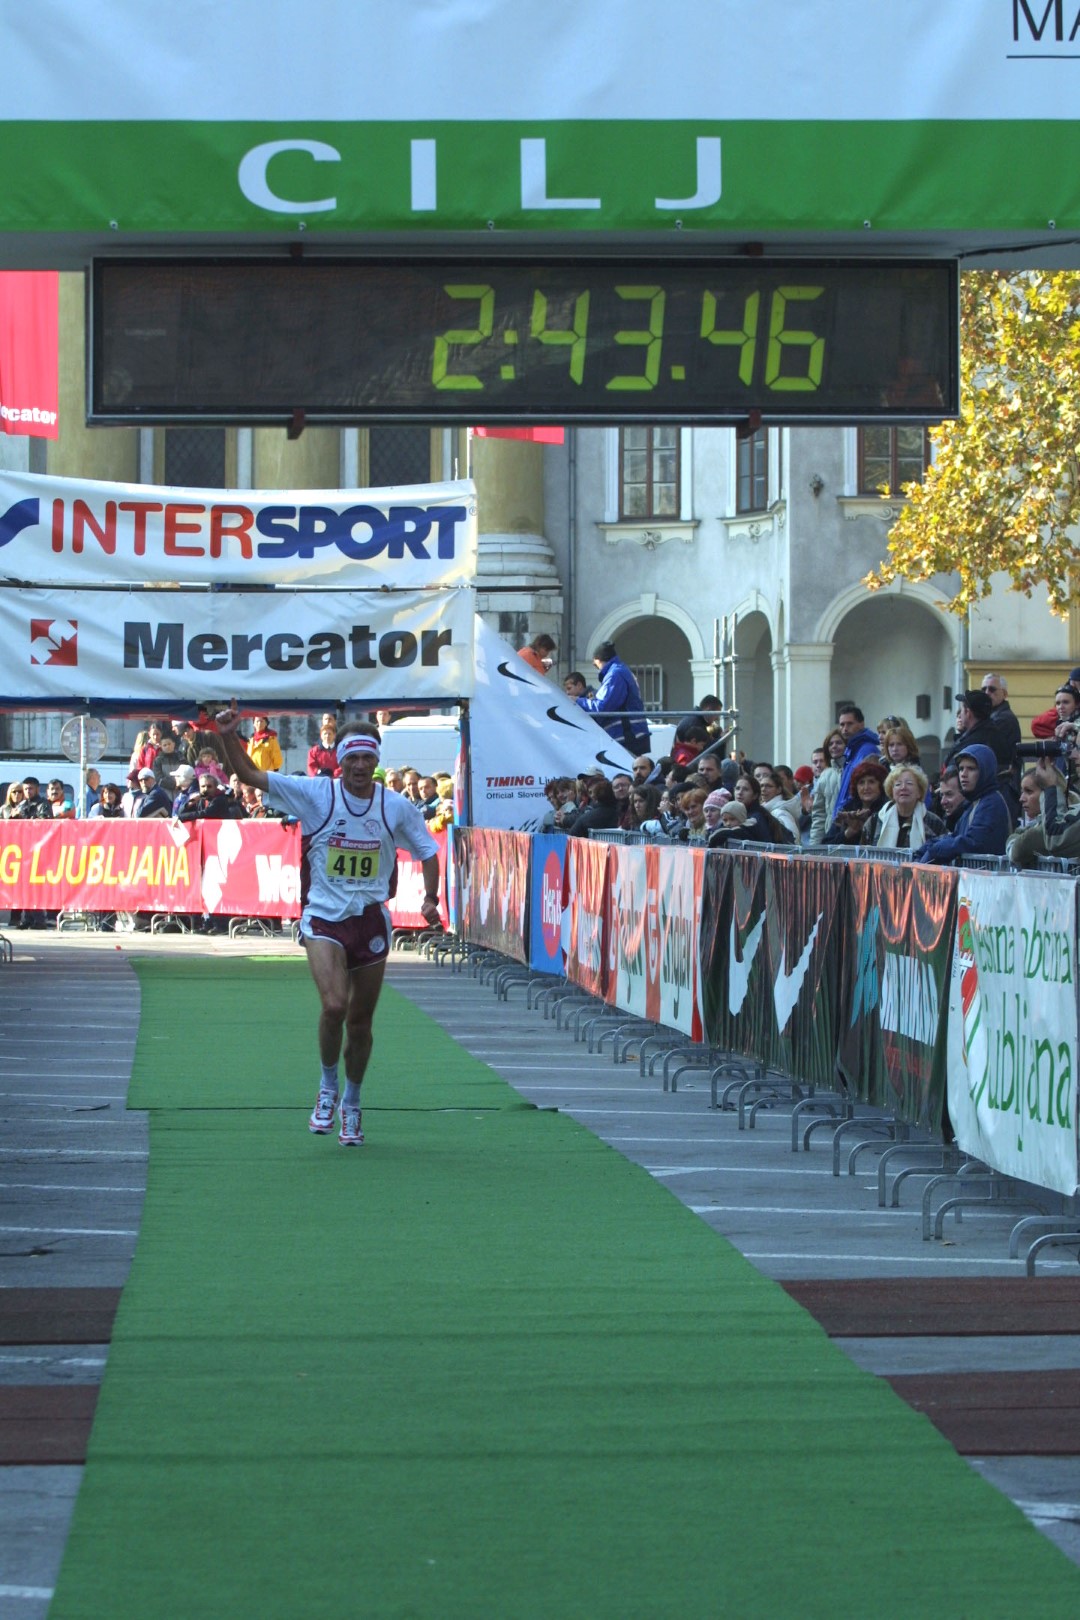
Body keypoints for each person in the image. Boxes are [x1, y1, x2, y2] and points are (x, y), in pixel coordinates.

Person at [214, 703, 441, 1147]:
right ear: (340, 760)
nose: (360, 766)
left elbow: (428, 851)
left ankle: (352, 1104)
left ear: (377, 762)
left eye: (368, 758)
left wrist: (430, 898)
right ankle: (327, 1085)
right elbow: (249, 775)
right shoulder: (317, 794)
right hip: (323, 916)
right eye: (352, 758)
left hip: (369, 919)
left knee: (360, 1022)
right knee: (334, 1006)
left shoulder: (394, 806)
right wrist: (227, 735)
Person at [915, 744, 1012, 865]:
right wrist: (928, 847)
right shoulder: (973, 803)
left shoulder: (991, 802)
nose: (963, 774)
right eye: (961, 769)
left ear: (985, 771)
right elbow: (955, 836)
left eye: (971, 769)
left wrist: (934, 850)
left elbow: (974, 842)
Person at [575, 641, 651, 753]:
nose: (597, 669)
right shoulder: (620, 671)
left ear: (599, 660)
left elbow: (602, 707)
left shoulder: (615, 675)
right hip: (632, 735)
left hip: (627, 736)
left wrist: (577, 701)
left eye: (595, 665)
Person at [874, 765, 944, 850]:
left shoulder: (933, 822)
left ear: (919, 792)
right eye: (898, 784)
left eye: (909, 783)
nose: (903, 787)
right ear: (892, 792)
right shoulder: (876, 821)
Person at [824, 759, 889, 847]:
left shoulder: (887, 811)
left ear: (881, 785)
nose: (866, 787)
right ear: (856, 787)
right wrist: (848, 833)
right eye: (861, 783)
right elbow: (825, 846)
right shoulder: (847, 810)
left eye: (871, 782)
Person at [834, 704, 881, 807]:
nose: (845, 729)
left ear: (861, 724)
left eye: (849, 724)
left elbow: (868, 791)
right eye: (842, 725)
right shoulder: (850, 751)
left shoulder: (867, 751)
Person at [809, 729, 846, 845]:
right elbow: (819, 815)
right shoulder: (825, 775)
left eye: (839, 743)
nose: (834, 746)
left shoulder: (854, 768)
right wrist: (814, 846)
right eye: (831, 744)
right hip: (830, 836)